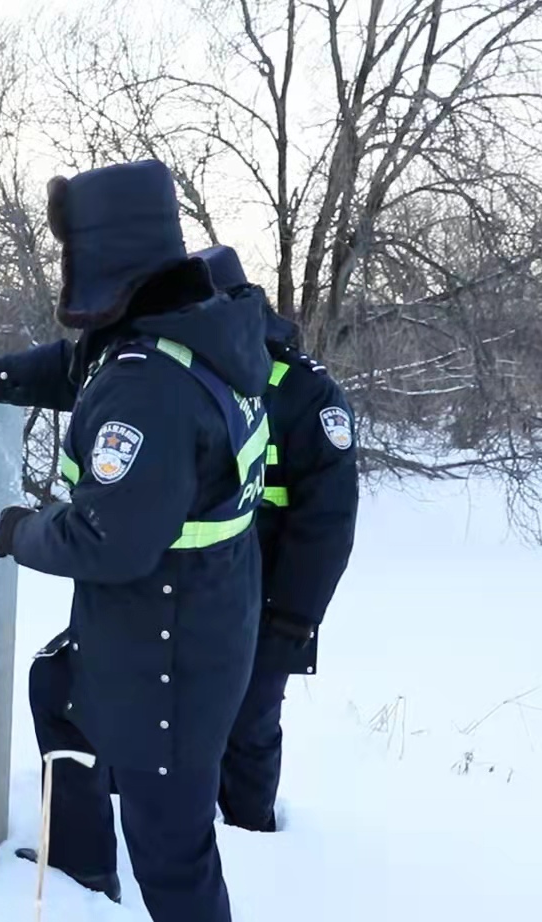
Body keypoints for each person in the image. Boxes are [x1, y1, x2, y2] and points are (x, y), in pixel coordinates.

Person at [0, 160, 270, 922]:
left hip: (170, 643)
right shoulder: (192, 322)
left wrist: (20, 531)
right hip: (193, 615)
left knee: (174, 846)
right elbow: (83, 367)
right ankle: (86, 876)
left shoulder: (146, 388)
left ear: (103, 256)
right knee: (61, 687)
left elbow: (108, 539)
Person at [192, 245, 360, 833]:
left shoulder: (306, 394)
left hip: (268, 605)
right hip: (189, 596)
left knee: (249, 727)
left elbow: (328, 525)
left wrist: (294, 620)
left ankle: (254, 844)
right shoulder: (189, 373)